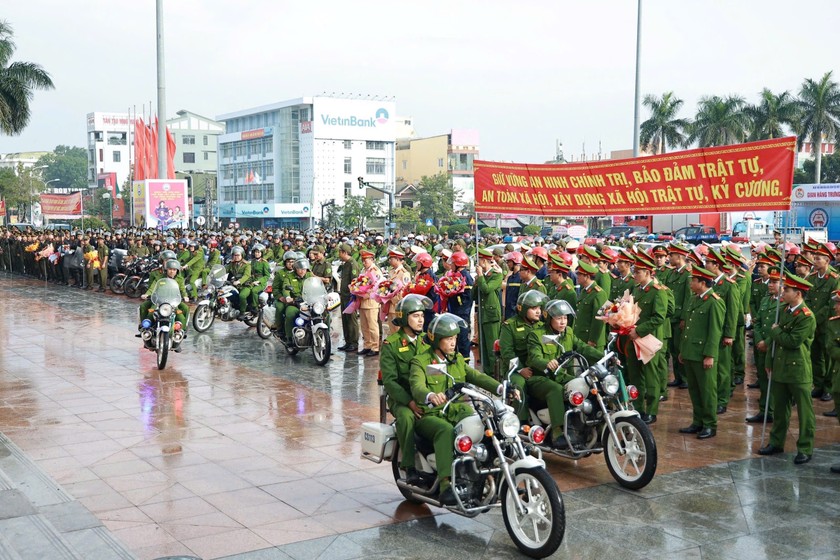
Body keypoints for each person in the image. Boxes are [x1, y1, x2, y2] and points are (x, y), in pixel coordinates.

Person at [409, 313, 511, 505]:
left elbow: (475, 376)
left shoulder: (455, 359)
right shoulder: (420, 361)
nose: (453, 342)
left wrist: (500, 387)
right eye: (448, 339)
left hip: (455, 410)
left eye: (455, 338)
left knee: (481, 421)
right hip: (429, 414)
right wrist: (430, 395)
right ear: (436, 340)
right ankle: (446, 483)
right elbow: (417, 385)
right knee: (445, 430)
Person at [758, 273, 817, 465]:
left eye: (787, 290)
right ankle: (776, 442)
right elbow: (773, 343)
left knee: (804, 412)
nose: (783, 292)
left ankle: (805, 448)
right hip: (780, 367)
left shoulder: (806, 317)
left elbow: (792, 341)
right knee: (780, 410)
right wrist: (769, 362)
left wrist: (775, 331)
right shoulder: (784, 311)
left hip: (797, 370)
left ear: (798, 294)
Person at [526, 299, 602, 448]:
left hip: (560, 376)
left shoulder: (568, 333)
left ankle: (588, 424)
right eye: (559, 318)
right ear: (549, 318)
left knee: (585, 383)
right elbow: (534, 357)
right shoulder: (537, 335)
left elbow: (582, 347)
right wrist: (546, 363)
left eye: (565, 318)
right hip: (539, 378)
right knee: (556, 389)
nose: (563, 322)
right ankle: (557, 431)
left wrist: (604, 356)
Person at [380, 295, 432, 486]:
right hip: (401, 399)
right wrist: (410, 402)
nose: (421, 320)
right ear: (403, 319)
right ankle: (408, 466)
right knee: (407, 418)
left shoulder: (426, 343)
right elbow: (390, 382)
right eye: (415, 316)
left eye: (422, 316)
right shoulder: (391, 345)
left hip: (425, 396)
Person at [678, 265, 725, 439]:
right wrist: (683, 350)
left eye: (694, 280)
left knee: (707, 391)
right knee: (695, 390)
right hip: (691, 351)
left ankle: (709, 424)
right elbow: (688, 329)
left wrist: (710, 355)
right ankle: (697, 421)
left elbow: (714, 332)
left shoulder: (714, 302)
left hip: (703, 354)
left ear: (703, 283)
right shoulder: (694, 299)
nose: (691, 283)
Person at [500, 290, 549, 421]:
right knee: (519, 386)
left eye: (539, 308)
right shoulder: (509, 326)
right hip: (515, 370)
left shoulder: (542, 326)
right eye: (533, 308)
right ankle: (520, 422)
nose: (538, 311)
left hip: (537, 367)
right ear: (522, 309)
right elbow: (507, 352)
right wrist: (521, 369)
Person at [748, 266, 781, 423]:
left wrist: (767, 342)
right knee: (762, 378)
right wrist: (759, 340)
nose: (770, 284)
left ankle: (773, 410)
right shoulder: (765, 299)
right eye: (771, 281)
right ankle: (764, 410)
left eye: (775, 282)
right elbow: (758, 321)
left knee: (772, 380)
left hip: (774, 345)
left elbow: (781, 326)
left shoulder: (783, 303)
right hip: (761, 344)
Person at [138, 259, 190, 349]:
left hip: (173, 303)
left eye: (174, 270)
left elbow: (182, 290)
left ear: (177, 271)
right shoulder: (160, 278)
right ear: (166, 269)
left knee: (184, 312)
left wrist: (185, 296)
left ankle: (180, 334)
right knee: (149, 312)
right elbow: (153, 287)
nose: (172, 271)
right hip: (159, 301)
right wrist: (147, 294)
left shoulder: (180, 279)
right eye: (170, 269)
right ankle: (145, 331)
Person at [474, 247, 503, 376]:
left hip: (491, 315)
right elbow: (474, 296)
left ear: (484, 261)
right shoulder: (483, 277)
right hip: (482, 314)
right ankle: (486, 371)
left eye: (479, 260)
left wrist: (480, 276)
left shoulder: (496, 275)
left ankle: (496, 373)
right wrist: (477, 281)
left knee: (492, 346)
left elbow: (487, 289)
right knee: (483, 347)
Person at [574, 261, 608, 351]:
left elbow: (599, 319)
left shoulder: (599, 294)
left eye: (579, 274)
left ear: (587, 277)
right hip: (582, 337)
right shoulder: (584, 291)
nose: (577, 277)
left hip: (592, 340)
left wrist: (593, 340)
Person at [280, 258, 314, 341]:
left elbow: (317, 285)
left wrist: (325, 296)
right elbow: (285, 288)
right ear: (295, 269)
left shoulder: (310, 275)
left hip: (310, 302)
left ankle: (325, 335)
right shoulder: (289, 276)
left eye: (304, 269)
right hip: (294, 302)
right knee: (290, 314)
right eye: (300, 269)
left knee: (324, 313)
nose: (302, 271)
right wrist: (288, 297)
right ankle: (290, 338)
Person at [358, 249, 382, 357]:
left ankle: (375, 347)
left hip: (371, 302)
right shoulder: (364, 270)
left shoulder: (375, 271)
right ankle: (367, 345)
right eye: (362, 260)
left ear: (372, 260)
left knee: (372, 326)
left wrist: (367, 293)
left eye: (366, 260)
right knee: (364, 326)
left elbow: (378, 286)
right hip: (362, 301)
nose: (364, 262)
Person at [337, 243, 361, 352]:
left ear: (344, 253)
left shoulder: (352, 264)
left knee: (352, 319)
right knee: (345, 319)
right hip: (344, 295)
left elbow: (354, 281)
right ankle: (348, 341)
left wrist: (353, 296)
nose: (338, 254)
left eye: (340, 252)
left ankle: (354, 342)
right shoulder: (346, 264)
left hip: (350, 296)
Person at [225, 246, 251, 319]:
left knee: (242, 296)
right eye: (234, 255)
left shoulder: (247, 264)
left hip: (246, 285)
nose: (236, 257)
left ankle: (242, 312)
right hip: (234, 284)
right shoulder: (231, 264)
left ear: (242, 255)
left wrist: (239, 281)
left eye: (238, 255)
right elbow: (224, 270)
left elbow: (246, 275)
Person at [245, 244, 270, 317]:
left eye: (259, 252)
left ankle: (255, 307)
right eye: (256, 252)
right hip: (253, 280)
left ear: (262, 253)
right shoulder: (252, 261)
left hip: (261, 281)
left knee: (254, 290)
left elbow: (267, 276)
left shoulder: (264, 263)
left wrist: (259, 281)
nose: (257, 253)